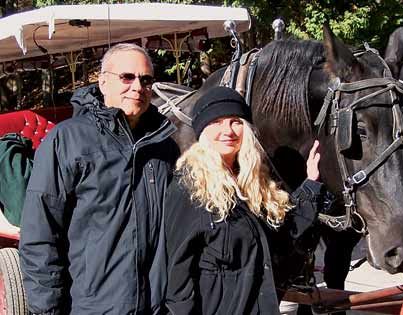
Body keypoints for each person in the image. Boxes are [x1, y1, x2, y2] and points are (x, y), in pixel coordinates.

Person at [19, 43, 179, 315]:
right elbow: (40, 235)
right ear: (103, 82)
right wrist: (47, 310)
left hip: (158, 306)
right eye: (127, 77)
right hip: (93, 306)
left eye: (146, 79)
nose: (137, 86)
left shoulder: (165, 145)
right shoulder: (68, 140)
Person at [163, 86, 328, 315]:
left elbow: (283, 236)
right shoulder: (189, 188)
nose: (227, 130)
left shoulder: (253, 184)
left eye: (235, 121)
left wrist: (311, 183)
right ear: (202, 131)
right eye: (217, 122)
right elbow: (177, 276)